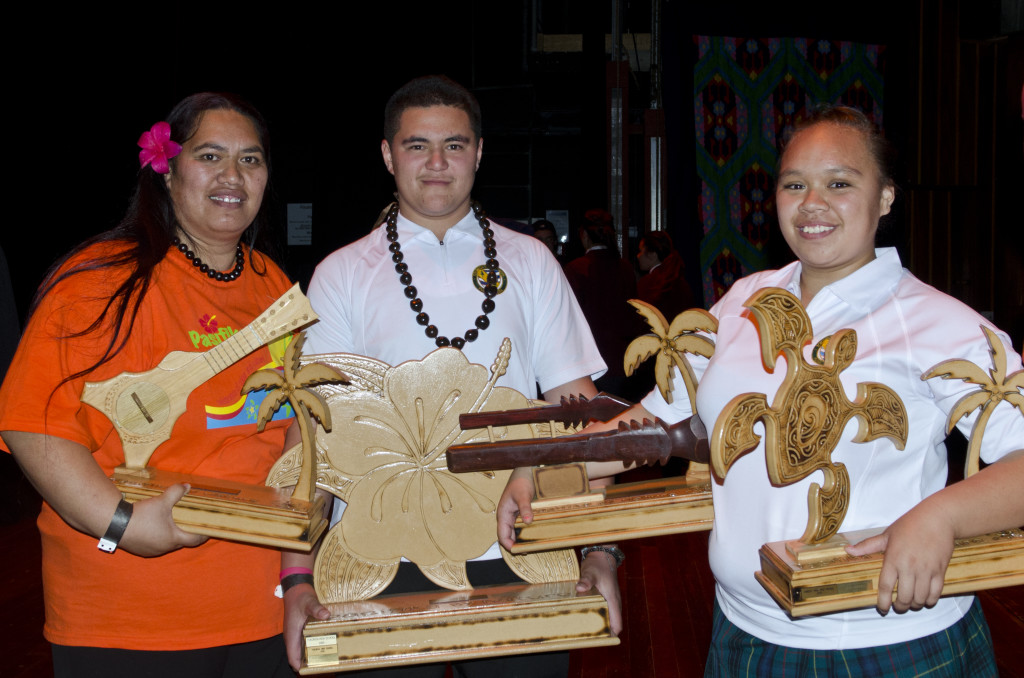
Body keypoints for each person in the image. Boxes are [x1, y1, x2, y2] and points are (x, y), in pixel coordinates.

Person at [500, 105, 1024, 676]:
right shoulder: (743, 302)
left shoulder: (933, 321)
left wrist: (939, 518)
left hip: (889, 639)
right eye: (794, 184)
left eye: (840, 183)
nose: (812, 203)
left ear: (886, 197)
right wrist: (548, 470)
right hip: (744, 632)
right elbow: (654, 426)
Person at [284, 75, 622, 676]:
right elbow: (313, 439)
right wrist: (296, 576)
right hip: (375, 555)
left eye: (455, 145)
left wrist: (598, 550)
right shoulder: (341, 273)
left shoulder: (530, 260)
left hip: (524, 545)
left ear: (480, 152)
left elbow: (578, 412)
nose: (437, 163)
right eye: (417, 146)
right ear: (388, 155)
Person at [0, 93, 296, 677]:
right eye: (210, 155)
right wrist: (126, 525)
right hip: (129, 617)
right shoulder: (101, 282)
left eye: (251, 159)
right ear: (167, 170)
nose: (232, 176)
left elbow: (297, 418)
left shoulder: (275, 287)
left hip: (260, 609)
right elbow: (33, 427)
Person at [563, 209, 639, 396]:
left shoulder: (575, 268)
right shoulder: (626, 268)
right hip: (623, 361)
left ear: (584, 236)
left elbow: (568, 321)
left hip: (589, 364)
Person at [635, 231, 694, 321]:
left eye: (640, 251)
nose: (638, 256)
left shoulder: (647, 284)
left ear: (653, 255)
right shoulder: (681, 282)